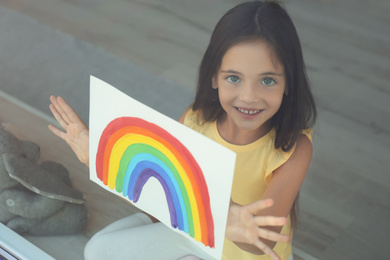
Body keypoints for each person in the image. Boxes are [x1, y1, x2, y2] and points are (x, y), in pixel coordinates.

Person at [48, 1, 316, 259]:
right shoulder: (196, 118)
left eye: (267, 80)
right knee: (95, 251)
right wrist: (101, 158)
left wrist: (225, 217)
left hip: (243, 256)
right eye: (233, 78)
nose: (248, 96)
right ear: (214, 77)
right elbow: (161, 191)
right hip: (194, 234)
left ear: (288, 83)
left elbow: (262, 243)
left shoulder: (295, 147)